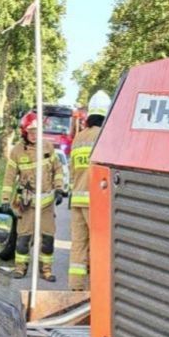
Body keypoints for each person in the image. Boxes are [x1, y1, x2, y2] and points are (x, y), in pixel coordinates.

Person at [1, 112, 65, 281]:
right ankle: (20, 268)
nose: (34, 135)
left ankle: (46, 270)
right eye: (30, 132)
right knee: (23, 239)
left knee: (48, 240)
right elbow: (9, 177)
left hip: (47, 204)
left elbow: (57, 169)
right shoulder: (17, 151)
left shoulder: (47, 147)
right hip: (26, 204)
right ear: (24, 132)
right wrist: (6, 199)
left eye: (37, 131)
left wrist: (59, 189)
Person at [68, 90, 111, 291]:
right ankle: (97, 292)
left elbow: (72, 168)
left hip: (76, 200)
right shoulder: (106, 136)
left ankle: (75, 290)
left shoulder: (79, 138)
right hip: (96, 202)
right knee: (100, 247)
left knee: (78, 248)